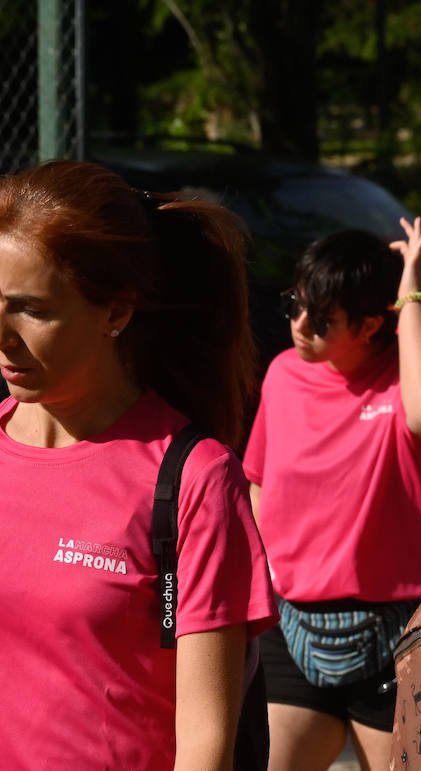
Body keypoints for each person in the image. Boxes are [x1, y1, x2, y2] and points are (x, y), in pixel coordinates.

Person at [0, 160, 276, 770]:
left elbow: (205, 750)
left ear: (116, 314)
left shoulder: (192, 479)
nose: (2, 334)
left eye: (33, 309)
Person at [244, 224, 421, 771]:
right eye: (295, 305)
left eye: (321, 319)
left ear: (372, 323)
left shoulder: (410, 377)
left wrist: (411, 288)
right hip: (293, 622)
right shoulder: (282, 375)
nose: (300, 327)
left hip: (398, 629)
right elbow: (258, 481)